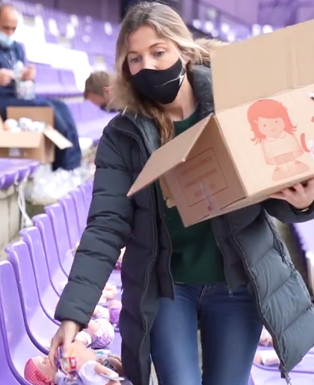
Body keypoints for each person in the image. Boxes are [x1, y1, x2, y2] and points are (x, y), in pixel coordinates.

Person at [48, 3, 314, 385]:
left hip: (238, 283)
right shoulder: (122, 137)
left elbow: (271, 194)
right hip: (168, 290)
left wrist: (303, 202)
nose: (148, 66)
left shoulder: (236, 105)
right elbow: (106, 225)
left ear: (184, 51)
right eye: (135, 59)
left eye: (159, 52)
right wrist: (74, 313)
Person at [0, 4, 81, 171]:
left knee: (61, 106)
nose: (10, 34)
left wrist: (28, 77)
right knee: (46, 108)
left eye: (14, 29)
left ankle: (74, 165)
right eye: (6, 28)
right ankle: (65, 168)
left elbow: (21, 76)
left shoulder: (16, 48)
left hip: (17, 97)